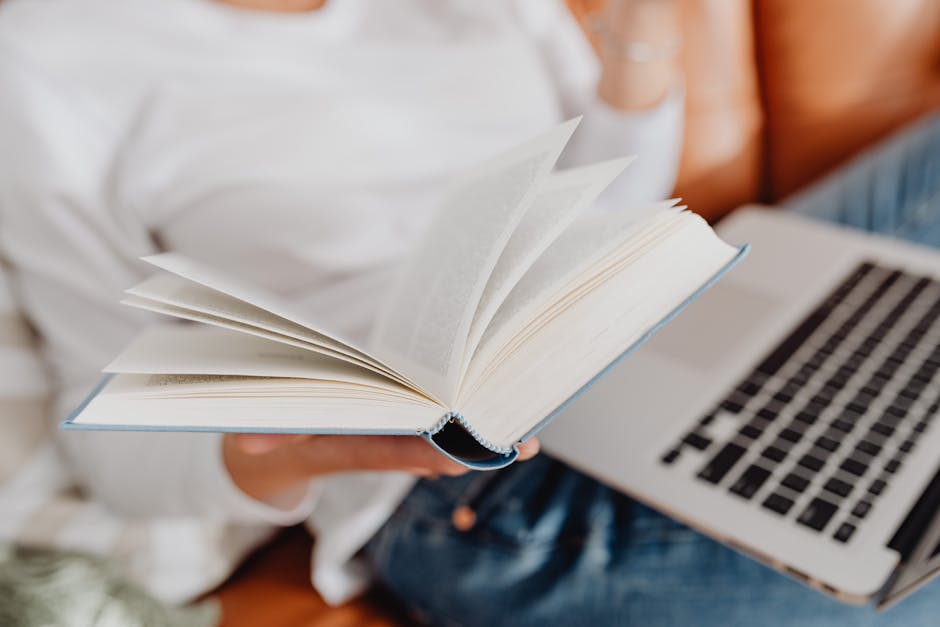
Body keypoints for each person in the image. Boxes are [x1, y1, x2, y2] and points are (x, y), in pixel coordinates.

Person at [1, 1, 939, 626]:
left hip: (641, 321)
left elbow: (604, 206)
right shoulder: (45, 53)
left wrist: (639, 39)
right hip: (472, 485)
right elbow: (111, 428)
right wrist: (300, 455)